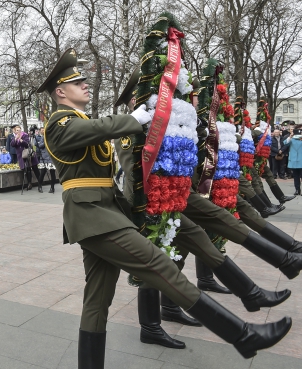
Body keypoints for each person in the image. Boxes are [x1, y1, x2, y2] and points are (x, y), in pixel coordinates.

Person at [38, 48, 291, 367]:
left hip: (104, 215)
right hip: (93, 218)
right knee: (160, 266)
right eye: (78, 82)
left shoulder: (82, 121)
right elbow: (93, 133)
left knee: (97, 303)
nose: (86, 85)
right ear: (61, 92)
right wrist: (135, 119)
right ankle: (242, 335)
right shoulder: (59, 123)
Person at [11, 125, 42, 192]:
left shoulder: (25, 135)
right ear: (15, 131)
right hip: (21, 155)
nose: (18, 131)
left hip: (28, 154)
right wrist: (16, 138)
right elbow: (12, 144)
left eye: (19, 130)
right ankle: (29, 183)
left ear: (21, 130)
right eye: (16, 130)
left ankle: (40, 182)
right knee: (27, 169)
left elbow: (27, 144)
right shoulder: (15, 137)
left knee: (35, 168)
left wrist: (21, 140)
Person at [37, 127, 57, 193]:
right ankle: (39, 186)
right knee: (42, 173)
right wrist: (45, 142)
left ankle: (52, 188)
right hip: (44, 158)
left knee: (52, 173)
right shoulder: (43, 137)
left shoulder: (54, 138)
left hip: (51, 158)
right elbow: (40, 146)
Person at [284, 127, 302, 195]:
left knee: (298, 176)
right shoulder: (291, 140)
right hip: (294, 160)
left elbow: (285, 143)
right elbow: (285, 143)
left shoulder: (298, 139)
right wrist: (290, 137)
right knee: (296, 176)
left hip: (298, 160)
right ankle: (297, 190)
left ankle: (298, 190)